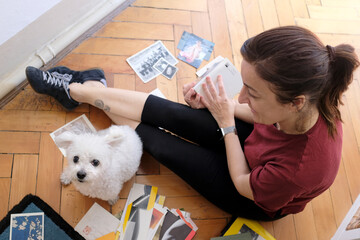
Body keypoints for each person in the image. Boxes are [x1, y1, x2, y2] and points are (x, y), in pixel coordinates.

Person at [25, 26, 359, 221]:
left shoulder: (303, 168)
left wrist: (226, 124)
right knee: (173, 113)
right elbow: (248, 113)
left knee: (158, 146)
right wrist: (215, 106)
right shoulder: (300, 104)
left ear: (294, 102)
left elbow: (244, 183)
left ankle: (87, 88)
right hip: (253, 144)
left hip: (249, 191)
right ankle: (79, 89)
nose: (241, 97)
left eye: (253, 93)